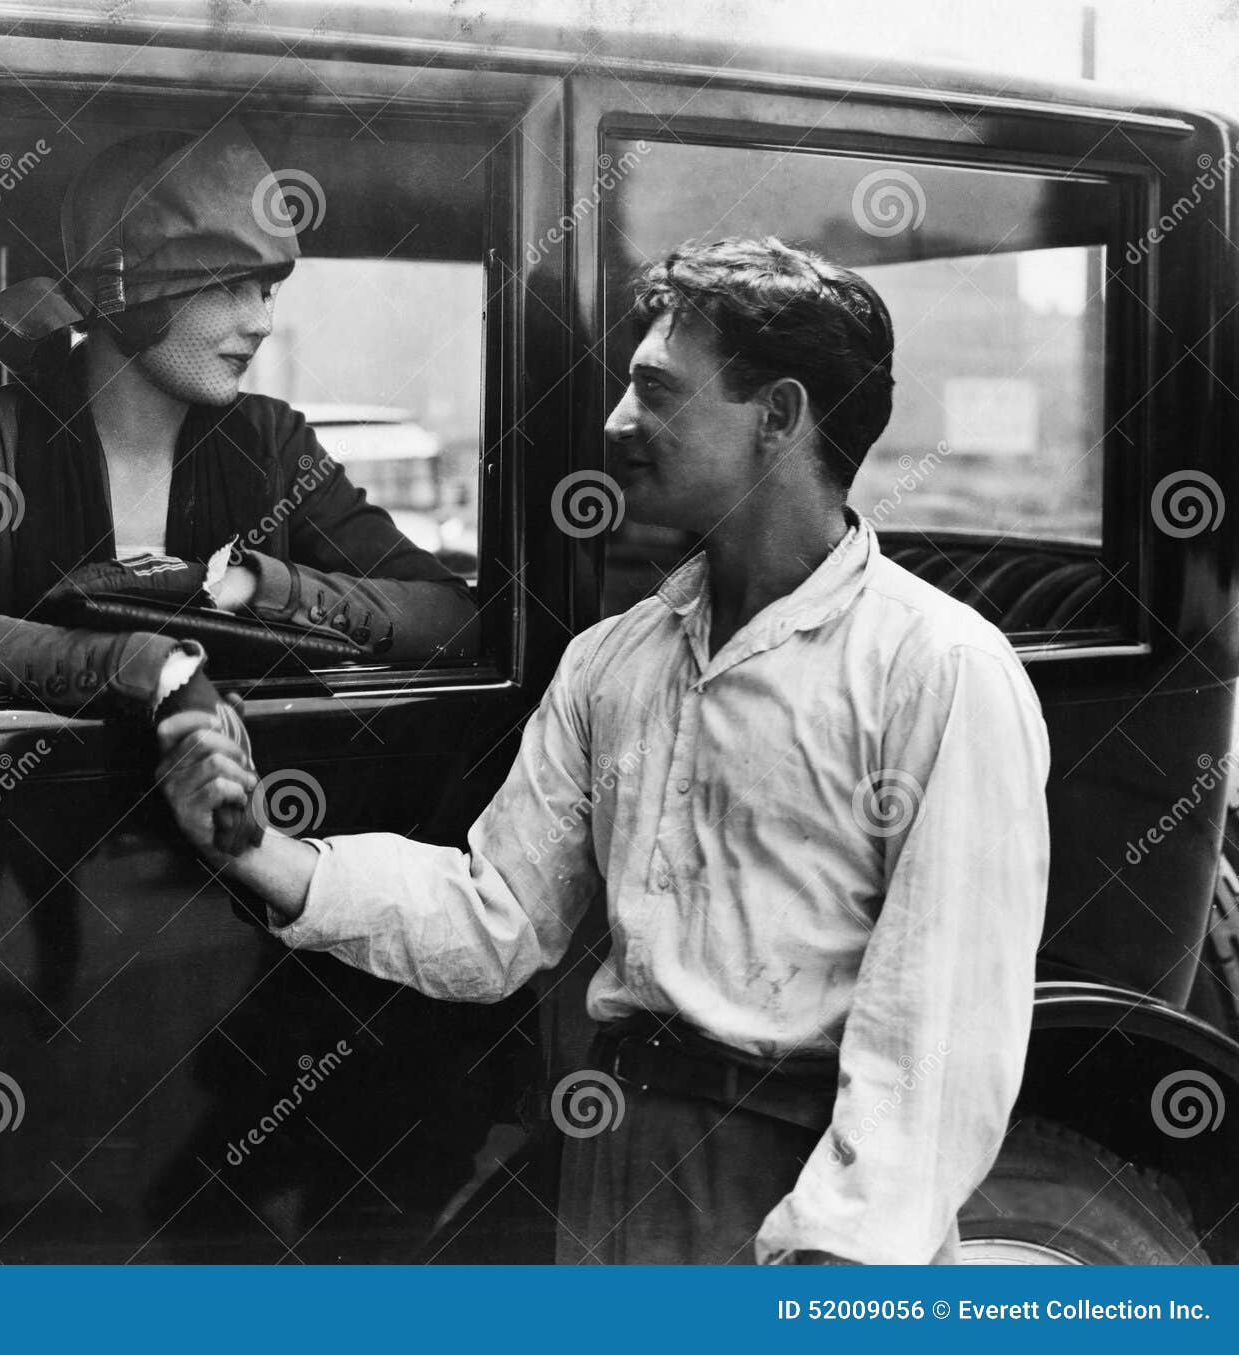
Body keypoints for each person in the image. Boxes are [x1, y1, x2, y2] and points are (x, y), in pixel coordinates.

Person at [155, 235, 1050, 1265]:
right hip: (615, 1160)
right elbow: (496, 916)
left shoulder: (938, 669)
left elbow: (939, 1030)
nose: (619, 421)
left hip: (798, 1192)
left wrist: (834, 1257)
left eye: (657, 390)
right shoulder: (614, 660)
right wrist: (258, 846)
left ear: (778, 417)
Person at [0, 123, 480, 723]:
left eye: (267, 291)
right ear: (124, 295)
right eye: (231, 287)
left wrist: (255, 586)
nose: (262, 322)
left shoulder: (275, 442)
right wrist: (138, 668)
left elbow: (454, 614)